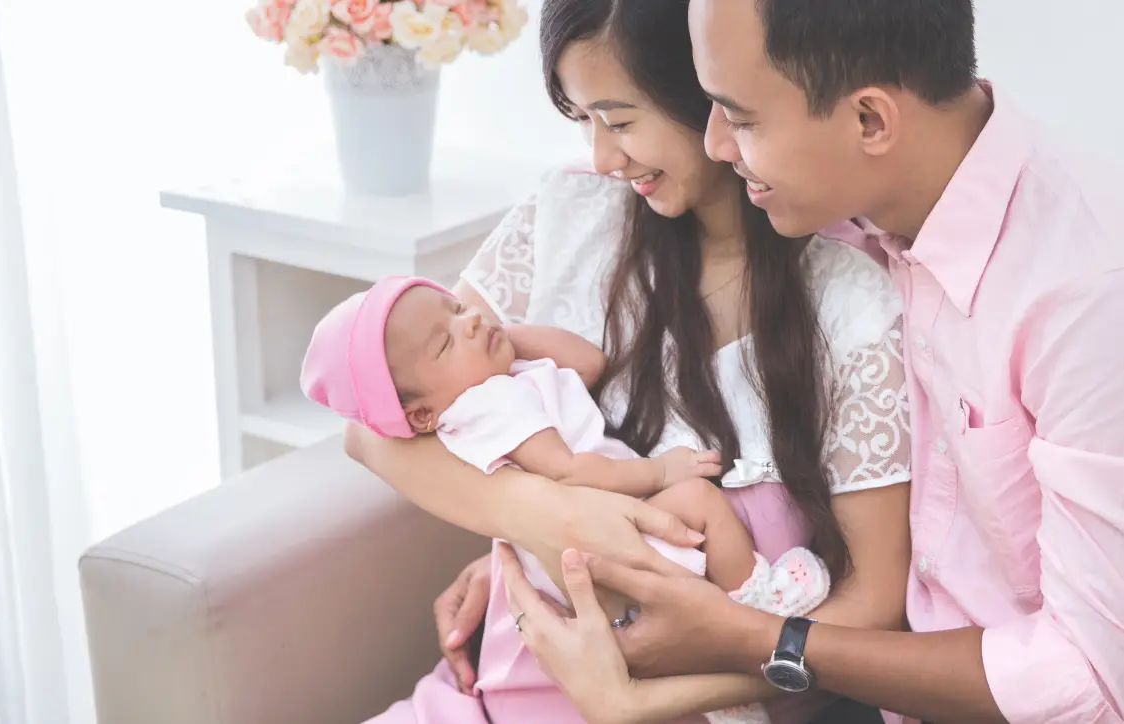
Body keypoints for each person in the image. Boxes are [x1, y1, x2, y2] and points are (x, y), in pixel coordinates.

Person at [499, 1, 1124, 723]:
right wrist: (529, 530)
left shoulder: (1082, 292)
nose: (715, 147)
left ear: (869, 121)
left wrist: (753, 641)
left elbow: (1090, 679)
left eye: (738, 118)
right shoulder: (851, 206)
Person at [348, 0, 912, 722]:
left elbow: (874, 603)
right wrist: (544, 521)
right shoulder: (575, 217)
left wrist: (636, 697)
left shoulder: (848, 296)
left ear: (711, 94)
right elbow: (371, 425)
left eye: (619, 120)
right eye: (581, 120)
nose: (601, 158)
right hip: (497, 693)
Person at [303, 277, 832, 724]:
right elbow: (569, 469)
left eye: (459, 308)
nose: (468, 322)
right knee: (699, 499)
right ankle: (760, 605)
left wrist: (494, 335)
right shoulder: (489, 405)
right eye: (444, 343)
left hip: (601, 530)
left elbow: (588, 362)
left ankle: (734, 664)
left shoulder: (503, 380)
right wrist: (660, 469)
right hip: (599, 529)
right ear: (420, 415)